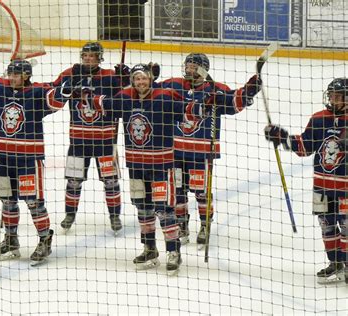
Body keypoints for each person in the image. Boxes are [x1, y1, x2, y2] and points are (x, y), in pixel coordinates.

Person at [75, 63, 211, 274]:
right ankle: (150, 249)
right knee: (143, 209)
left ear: (151, 79)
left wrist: (206, 105)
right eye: (137, 79)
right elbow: (103, 103)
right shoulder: (126, 97)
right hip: (136, 166)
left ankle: (174, 251)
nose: (141, 82)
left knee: (164, 210)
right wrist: (85, 95)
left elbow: (188, 109)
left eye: (144, 78)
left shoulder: (165, 97)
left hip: (161, 166)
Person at [158, 53, 261, 246]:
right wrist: (149, 75)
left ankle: (205, 224)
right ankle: (182, 223)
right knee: (178, 190)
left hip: (201, 151)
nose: (190, 70)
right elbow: (149, 92)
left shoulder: (216, 89)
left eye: (194, 66)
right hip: (174, 150)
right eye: (188, 66)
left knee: (201, 191)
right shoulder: (172, 84)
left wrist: (248, 92)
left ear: (204, 69)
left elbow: (233, 104)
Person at [0, 59, 66, 265]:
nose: (11, 78)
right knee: (7, 200)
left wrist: (65, 91)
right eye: (10, 74)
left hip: (28, 159)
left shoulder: (37, 92)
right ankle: (11, 239)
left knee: (34, 202)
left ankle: (44, 239)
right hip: (3, 156)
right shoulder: (2, 89)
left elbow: (54, 100)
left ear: (26, 76)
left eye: (16, 75)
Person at [264, 78, 348, 284]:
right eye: (331, 96)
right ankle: (336, 262)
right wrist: (283, 138)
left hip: (346, 187)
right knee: (326, 225)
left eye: (337, 97)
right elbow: (305, 146)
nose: (332, 100)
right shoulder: (319, 118)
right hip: (322, 186)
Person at [52, 42, 130, 234]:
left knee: (110, 180)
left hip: (105, 141)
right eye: (85, 55)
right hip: (78, 141)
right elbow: (51, 93)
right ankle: (70, 214)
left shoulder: (110, 77)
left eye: (92, 55)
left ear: (99, 57)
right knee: (73, 181)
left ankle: (114, 216)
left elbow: (129, 97)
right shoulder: (70, 73)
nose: (88, 58)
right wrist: (66, 86)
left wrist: (125, 79)